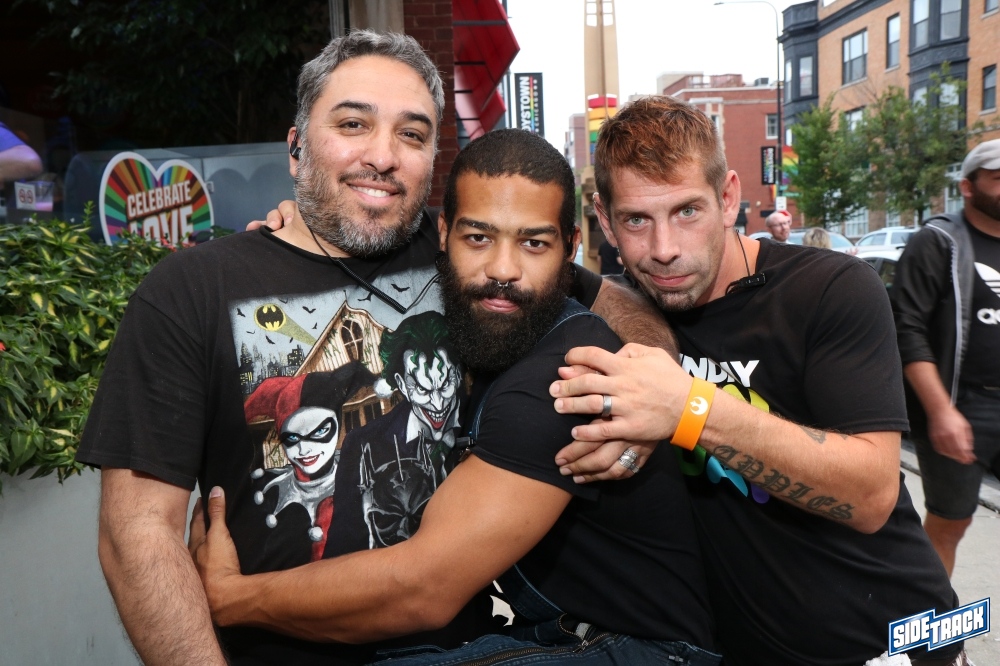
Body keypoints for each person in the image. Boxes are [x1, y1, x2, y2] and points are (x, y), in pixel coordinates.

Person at [76, 31, 669, 665]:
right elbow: (137, 534)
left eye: (411, 134)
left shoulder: (466, 253)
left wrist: (649, 389)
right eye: (353, 124)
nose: (383, 156)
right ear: (297, 147)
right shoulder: (189, 290)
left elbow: (617, 305)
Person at [190, 127, 719, 666]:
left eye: (534, 243)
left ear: (570, 249)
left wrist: (233, 598)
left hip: (642, 650)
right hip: (557, 632)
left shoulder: (567, 377)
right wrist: (294, 241)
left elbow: (422, 589)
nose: (503, 270)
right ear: (443, 233)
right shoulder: (496, 320)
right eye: (479, 238)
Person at [548, 96, 965, 666]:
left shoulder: (828, 288)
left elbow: (871, 495)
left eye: (688, 211)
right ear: (604, 219)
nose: (664, 250)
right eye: (636, 220)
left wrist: (689, 409)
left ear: (728, 198)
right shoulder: (623, 315)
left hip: (893, 642)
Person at [891, 138, 1000, 578]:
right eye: (998, 178)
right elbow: (907, 329)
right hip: (962, 404)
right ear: (968, 187)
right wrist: (940, 411)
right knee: (950, 523)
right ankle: (933, 619)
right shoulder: (938, 242)